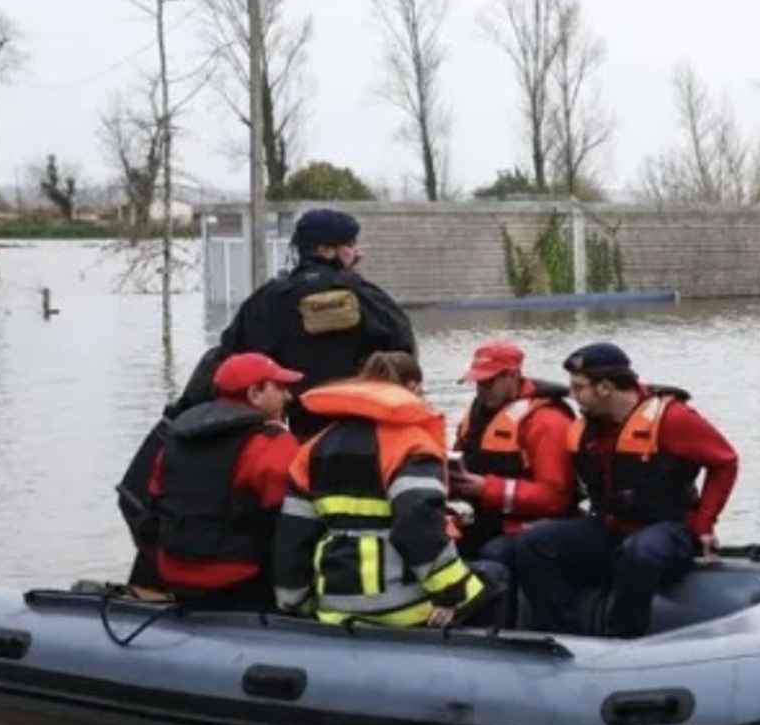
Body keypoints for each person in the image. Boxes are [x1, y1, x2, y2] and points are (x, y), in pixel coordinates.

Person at [510, 343, 739, 637]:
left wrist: (704, 524)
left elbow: (725, 462)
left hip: (668, 528)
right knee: (534, 542)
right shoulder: (587, 429)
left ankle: (623, 636)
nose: (572, 395)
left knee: (640, 552)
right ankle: (563, 633)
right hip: (612, 526)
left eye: (579, 388)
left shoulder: (672, 419)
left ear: (605, 387)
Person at [272, 353, 506, 628]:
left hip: (335, 606)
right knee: (495, 577)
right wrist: (455, 594)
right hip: (406, 610)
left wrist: (295, 602)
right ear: (413, 390)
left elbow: (293, 537)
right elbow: (417, 526)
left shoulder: (313, 449)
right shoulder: (410, 444)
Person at [176, 207, 416, 439]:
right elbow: (404, 348)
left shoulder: (268, 300)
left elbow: (228, 360)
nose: (357, 252)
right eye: (350, 245)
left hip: (302, 431)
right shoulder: (366, 297)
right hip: (365, 430)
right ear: (326, 250)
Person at [146, 352, 302, 609]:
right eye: (281, 387)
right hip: (239, 579)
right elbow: (289, 523)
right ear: (255, 394)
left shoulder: (175, 440)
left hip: (173, 573)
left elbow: (152, 508)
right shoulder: (272, 445)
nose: (288, 396)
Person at [450, 339, 577, 561]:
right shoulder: (476, 414)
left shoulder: (547, 421)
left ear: (512, 375)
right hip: (481, 516)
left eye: (488, 382)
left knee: (494, 553)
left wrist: (486, 489)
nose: (481, 390)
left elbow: (556, 497)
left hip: (529, 525)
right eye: (478, 383)